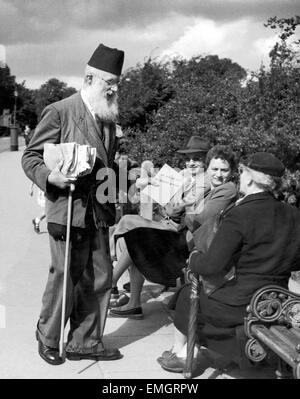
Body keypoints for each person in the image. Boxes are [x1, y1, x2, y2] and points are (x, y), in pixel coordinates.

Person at [21, 43, 125, 365]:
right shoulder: (60, 110)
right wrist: (49, 178)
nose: (114, 89)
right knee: (65, 276)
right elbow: (31, 156)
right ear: (90, 79)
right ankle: (47, 335)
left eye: (117, 84)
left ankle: (85, 342)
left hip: (99, 212)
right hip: (67, 209)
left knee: (100, 279)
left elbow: (111, 164)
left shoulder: (108, 119)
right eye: (110, 83)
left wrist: (125, 176)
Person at [158, 152, 300, 374]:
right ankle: (230, 353)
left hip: (239, 305)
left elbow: (211, 266)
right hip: (276, 302)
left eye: (242, 172)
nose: (239, 177)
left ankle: (183, 354)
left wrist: (194, 257)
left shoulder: (240, 214)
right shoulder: (293, 214)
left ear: (250, 178)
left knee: (186, 294)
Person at [109, 144, 238, 319]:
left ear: (231, 171)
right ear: (208, 168)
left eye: (224, 170)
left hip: (186, 241)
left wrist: (175, 206)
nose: (218, 174)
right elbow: (182, 211)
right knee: (131, 235)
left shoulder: (219, 187)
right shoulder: (199, 181)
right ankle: (125, 294)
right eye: (214, 169)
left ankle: (113, 283)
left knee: (134, 234)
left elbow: (193, 217)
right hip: (181, 233)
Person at [109, 136, 212, 300]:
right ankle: (122, 291)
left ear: (206, 161)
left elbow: (176, 210)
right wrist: (146, 184)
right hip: (169, 225)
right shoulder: (185, 174)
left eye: (197, 159)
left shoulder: (205, 181)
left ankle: (110, 281)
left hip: (178, 232)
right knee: (125, 233)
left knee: (129, 226)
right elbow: (138, 196)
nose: (191, 163)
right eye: (188, 159)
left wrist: (167, 198)